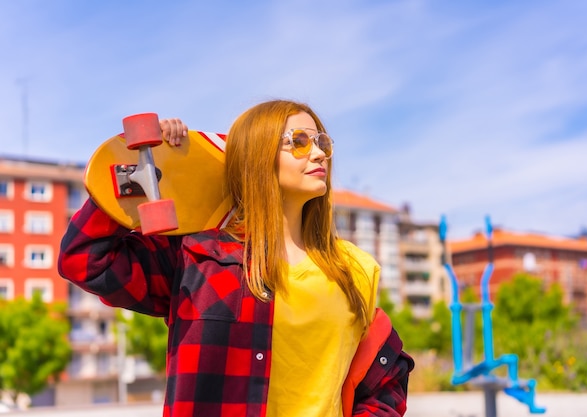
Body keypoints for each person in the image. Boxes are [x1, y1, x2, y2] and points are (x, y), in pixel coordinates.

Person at [58, 99, 414, 417]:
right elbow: (85, 259)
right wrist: (142, 174)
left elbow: (384, 378)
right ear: (257, 156)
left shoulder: (354, 269)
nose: (319, 153)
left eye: (321, 142)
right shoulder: (198, 258)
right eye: (300, 142)